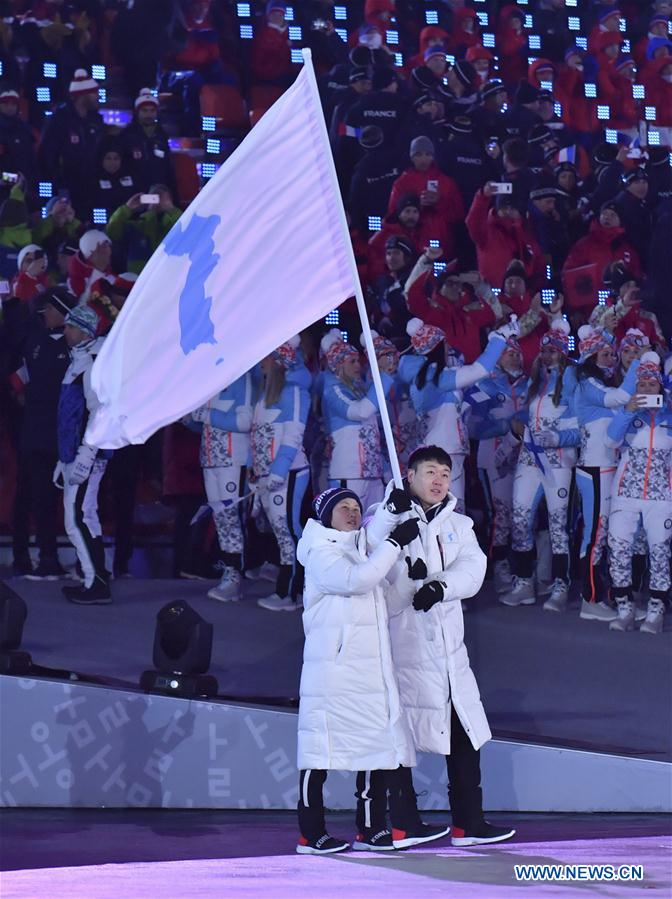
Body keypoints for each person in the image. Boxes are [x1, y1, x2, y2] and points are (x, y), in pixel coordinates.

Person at [366, 445, 516, 847]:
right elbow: (368, 566)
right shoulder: (385, 518)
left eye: (445, 475)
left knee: (465, 737)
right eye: (430, 472)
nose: (438, 481)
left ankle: (470, 823)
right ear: (409, 476)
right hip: (405, 652)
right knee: (402, 740)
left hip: (450, 654)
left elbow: (473, 569)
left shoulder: (459, 525)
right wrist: (387, 520)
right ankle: (402, 824)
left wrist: (439, 587)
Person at [296, 486, 445, 853]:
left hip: (370, 671)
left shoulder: (360, 552)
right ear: (325, 515)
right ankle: (310, 834)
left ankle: (371, 828)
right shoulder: (320, 551)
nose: (350, 512)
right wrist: (394, 542)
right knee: (320, 752)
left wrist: (410, 579)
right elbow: (355, 581)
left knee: (375, 749)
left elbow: (385, 603)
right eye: (342, 507)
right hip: (332, 672)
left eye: (356, 507)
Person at [398, 317, 516, 512]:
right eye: (444, 344)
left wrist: (484, 393)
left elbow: (462, 399)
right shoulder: (435, 377)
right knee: (448, 511)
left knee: (446, 511)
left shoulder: (431, 376)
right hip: (443, 452)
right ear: (436, 347)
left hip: (444, 451)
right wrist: (499, 337)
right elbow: (480, 369)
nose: (448, 348)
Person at [501, 319, 578, 609]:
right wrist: (517, 422)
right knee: (520, 519)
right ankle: (524, 583)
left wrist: (554, 437)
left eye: (554, 352)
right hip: (529, 460)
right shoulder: (535, 382)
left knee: (558, 526)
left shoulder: (572, 383)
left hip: (558, 464)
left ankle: (560, 585)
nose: (548, 356)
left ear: (563, 353)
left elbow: (579, 429)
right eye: (545, 351)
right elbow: (524, 414)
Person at [565, 327, 639, 620]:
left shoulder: (597, 382)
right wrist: (640, 363)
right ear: (591, 356)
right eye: (606, 354)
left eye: (611, 353)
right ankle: (590, 599)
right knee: (595, 535)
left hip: (607, 468)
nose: (611, 358)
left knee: (603, 534)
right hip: (595, 470)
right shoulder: (587, 384)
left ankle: (604, 594)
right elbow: (621, 397)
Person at [605, 352, 671, 634]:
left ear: (660, 388)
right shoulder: (627, 412)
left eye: (651, 386)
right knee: (618, 548)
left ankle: (656, 608)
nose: (646, 390)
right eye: (641, 385)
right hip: (625, 493)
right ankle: (624, 607)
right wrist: (629, 410)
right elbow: (610, 441)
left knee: (659, 551)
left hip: (662, 496)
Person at [56, 305, 111, 604]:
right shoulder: (80, 359)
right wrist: (62, 458)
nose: (65, 331)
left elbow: (98, 413)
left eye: (70, 326)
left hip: (86, 455)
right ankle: (96, 578)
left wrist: (85, 456)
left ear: (85, 331)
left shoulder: (91, 362)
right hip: (77, 453)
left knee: (76, 518)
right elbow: (70, 415)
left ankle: (96, 583)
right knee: (86, 516)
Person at [465, 335, 528, 594]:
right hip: (493, 460)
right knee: (500, 516)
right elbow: (472, 426)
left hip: (524, 459)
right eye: (509, 353)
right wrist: (506, 425)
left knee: (522, 515)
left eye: (517, 353)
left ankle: (523, 569)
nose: (515, 357)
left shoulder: (529, 384)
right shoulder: (484, 385)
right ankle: (499, 566)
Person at [252, 337, 311, 612]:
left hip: (290, 473)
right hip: (269, 476)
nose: (260, 362)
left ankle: (291, 592)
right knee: (281, 531)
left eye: (265, 357)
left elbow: (294, 434)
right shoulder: (266, 394)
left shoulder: (295, 392)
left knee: (289, 530)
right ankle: (289, 590)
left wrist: (278, 470)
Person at [190, 371, 255, 602]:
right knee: (220, 517)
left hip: (233, 459)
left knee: (232, 516)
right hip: (209, 459)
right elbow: (205, 425)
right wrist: (189, 419)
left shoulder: (241, 376)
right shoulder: (208, 379)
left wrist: (205, 415)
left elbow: (246, 420)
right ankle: (229, 570)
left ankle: (235, 575)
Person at [320, 329, 391, 510]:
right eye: (352, 361)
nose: (358, 365)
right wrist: (383, 376)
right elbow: (362, 411)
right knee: (348, 532)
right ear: (338, 365)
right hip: (349, 473)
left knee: (374, 526)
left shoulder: (358, 389)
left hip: (372, 473)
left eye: (358, 360)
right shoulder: (333, 390)